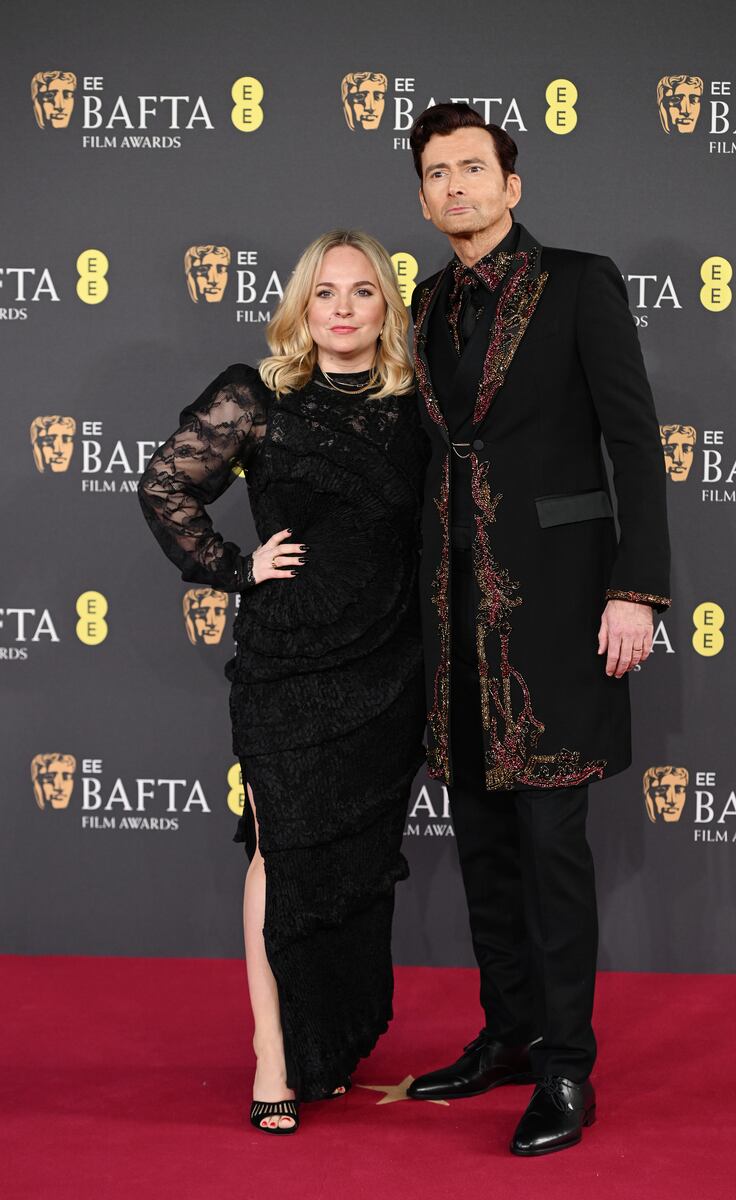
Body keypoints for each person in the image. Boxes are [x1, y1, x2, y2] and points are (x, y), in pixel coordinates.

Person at [405, 104, 671, 1156]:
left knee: (551, 848)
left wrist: (635, 588)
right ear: (421, 196)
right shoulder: (422, 302)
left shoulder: (578, 281)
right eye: (436, 173)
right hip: (452, 619)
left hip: (562, 609)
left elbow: (633, 441)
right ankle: (506, 1036)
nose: (456, 187)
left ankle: (566, 1071)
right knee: (481, 845)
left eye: (473, 168)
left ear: (510, 186)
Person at [138, 230, 428, 1135]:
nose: (342, 308)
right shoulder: (256, 396)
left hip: (389, 664)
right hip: (288, 663)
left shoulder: (420, 405)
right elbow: (163, 488)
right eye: (325, 292)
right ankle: (273, 1051)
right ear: (302, 307)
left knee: (354, 864)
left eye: (362, 293)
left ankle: (325, 1044)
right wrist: (236, 566)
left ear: (387, 308)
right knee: (279, 850)